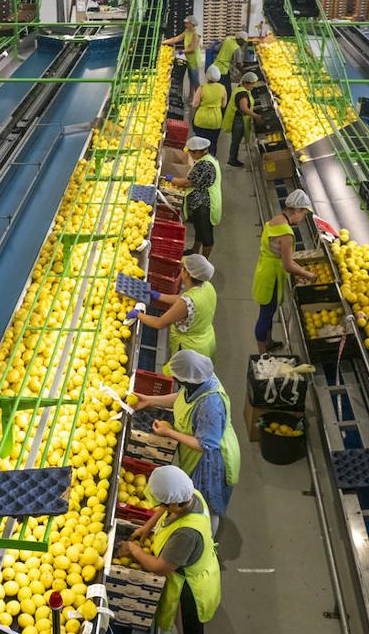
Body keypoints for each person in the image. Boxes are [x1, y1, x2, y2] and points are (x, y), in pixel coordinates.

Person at [116, 464, 220, 634]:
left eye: (162, 502)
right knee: (183, 626)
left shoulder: (186, 534)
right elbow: (165, 511)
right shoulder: (191, 496)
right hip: (194, 572)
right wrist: (146, 527)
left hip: (192, 588)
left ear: (173, 502)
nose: (160, 507)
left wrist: (133, 550)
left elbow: (160, 567)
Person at [133, 350, 240, 535]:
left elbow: (206, 444)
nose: (175, 380)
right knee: (190, 497)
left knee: (205, 505)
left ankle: (206, 539)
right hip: (198, 451)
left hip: (211, 461)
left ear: (187, 380)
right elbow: (181, 397)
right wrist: (149, 400)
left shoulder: (211, 403)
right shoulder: (199, 379)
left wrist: (170, 432)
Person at [252, 188, 318, 354]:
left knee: (269, 310)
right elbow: (287, 265)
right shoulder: (287, 234)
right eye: (304, 214)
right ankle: (262, 354)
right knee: (265, 314)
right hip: (271, 278)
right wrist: (308, 275)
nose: (303, 218)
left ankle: (268, 342)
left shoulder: (275, 220)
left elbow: (283, 256)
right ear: (297, 210)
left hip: (264, 269)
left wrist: (300, 269)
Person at [126, 254, 217, 359]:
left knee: (179, 373)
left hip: (190, 348)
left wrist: (138, 314)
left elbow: (159, 323)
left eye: (183, 268)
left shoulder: (186, 302)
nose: (181, 270)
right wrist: (158, 295)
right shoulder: (207, 286)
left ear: (187, 274)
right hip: (205, 337)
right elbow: (182, 299)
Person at [164, 136, 220, 258]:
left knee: (206, 235)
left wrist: (171, 179)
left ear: (200, 151)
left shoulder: (205, 165)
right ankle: (194, 251)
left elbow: (187, 183)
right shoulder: (206, 159)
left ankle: (203, 260)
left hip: (205, 205)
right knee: (199, 229)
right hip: (199, 203)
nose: (189, 154)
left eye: (191, 152)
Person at [223, 71, 265, 168]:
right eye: (252, 84)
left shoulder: (240, 88)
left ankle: (233, 158)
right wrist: (256, 116)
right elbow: (244, 108)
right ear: (246, 83)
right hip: (238, 120)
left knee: (236, 140)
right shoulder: (242, 94)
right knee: (236, 140)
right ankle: (232, 160)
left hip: (239, 118)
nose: (253, 86)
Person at [190, 66, 227, 156]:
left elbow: (194, 104)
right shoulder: (222, 88)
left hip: (201, 120)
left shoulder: (202, 88)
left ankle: (199, 160)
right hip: (215, 121)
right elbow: (223, 105)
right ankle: (211, 160)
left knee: (199, 145)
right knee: (212, 144)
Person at [162, 16, 203, 96]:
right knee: (191, 79)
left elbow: (192, 49)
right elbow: (176, 39)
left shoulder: (196, 35)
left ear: (191, 24)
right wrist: (163, 42)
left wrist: (179, 52)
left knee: (195, 81)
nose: (185, 24)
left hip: (195, 60)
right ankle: (191, 96)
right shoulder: (186, 32)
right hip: (189, 59)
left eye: (187, 23)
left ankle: (199, 100)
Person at [210, 32, 245, 101]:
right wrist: (245, 73)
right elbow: (238, 65)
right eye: (244, 41)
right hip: (223, 70)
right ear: (240, 39)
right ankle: (224, 108)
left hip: (215, 66)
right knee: (227, 91)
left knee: (215, 87)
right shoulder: (237, 49)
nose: (244, 44)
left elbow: (216, 49)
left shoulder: (227, 39)